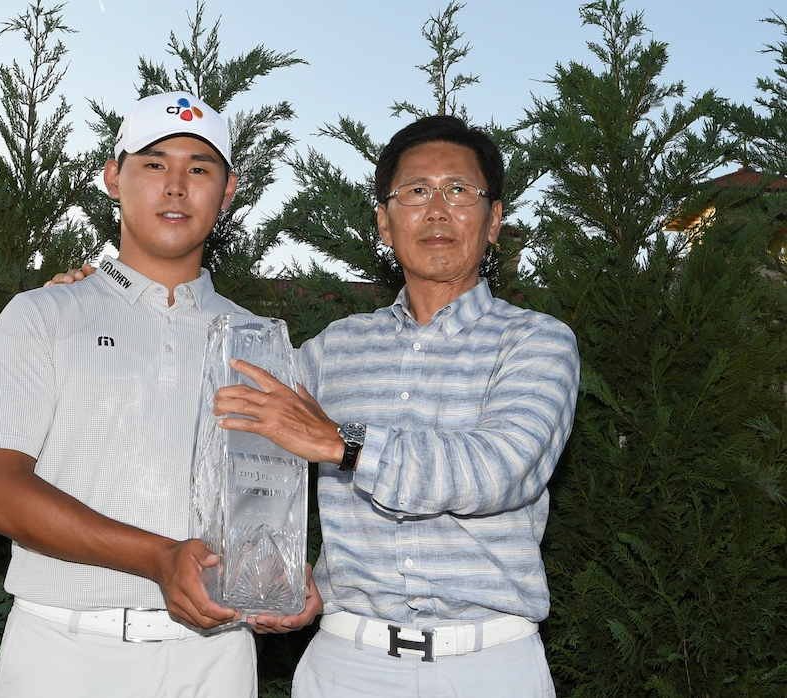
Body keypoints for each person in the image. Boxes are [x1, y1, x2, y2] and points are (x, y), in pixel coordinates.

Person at [0, 90, 318, 698]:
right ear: (113, 178)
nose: (176, 187)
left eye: (199, 170)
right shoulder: (42, 314)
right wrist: (157, 557)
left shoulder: (262, 343)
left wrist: (276, 572)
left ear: (228, 192)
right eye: (154, 164)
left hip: (217, 658)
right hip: (62, 651)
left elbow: (262, 501)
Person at [212, 115, 580, 697]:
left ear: (494, 222)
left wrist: (343, 442)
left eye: (459, 190)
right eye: (415, 191)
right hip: (345, 663)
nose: (437, 210)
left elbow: (500, 470)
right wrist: (106, 290)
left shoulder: (536, 341)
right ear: (384, 222)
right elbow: (225, 416)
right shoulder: (332, 349)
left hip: (489, 666)